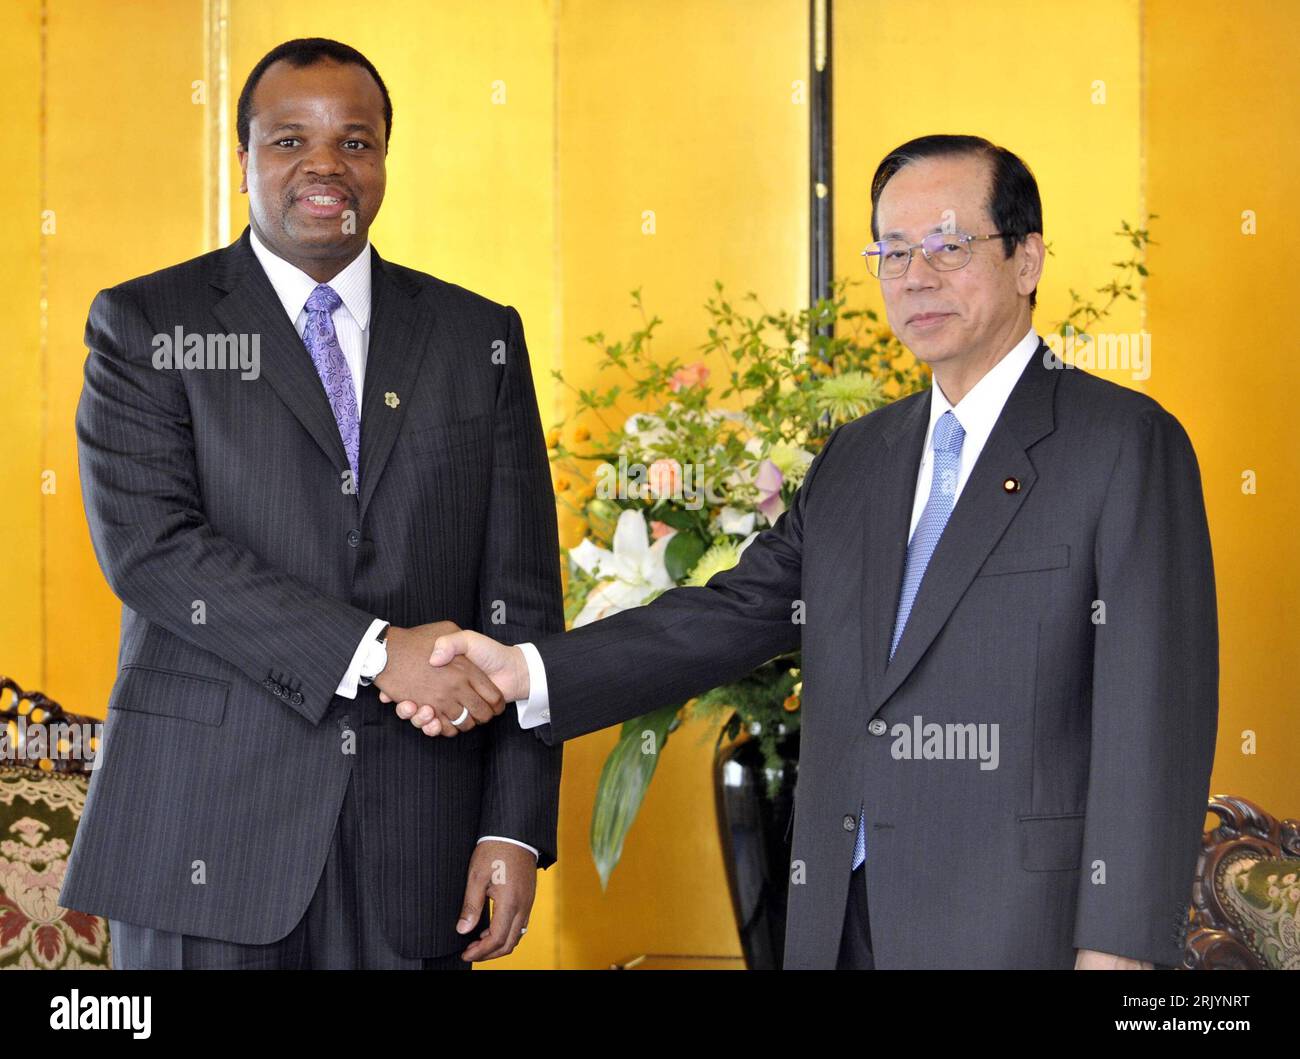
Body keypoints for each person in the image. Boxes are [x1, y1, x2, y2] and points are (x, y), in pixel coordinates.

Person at [389, 135, 1219, 970]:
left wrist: (1118, 949)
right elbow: (731, 614)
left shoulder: (1123, 445)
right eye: (891, 252)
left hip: (1018, 924)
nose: (915, 277)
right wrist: (524, 672)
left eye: (947, 246)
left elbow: (1154, 722)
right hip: (835, 915)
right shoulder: (861, 455)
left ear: (1027, 257)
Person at [60, 37, 563, 969]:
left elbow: (522, 602)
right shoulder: (147, 324)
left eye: (357, 142)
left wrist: (516, 827)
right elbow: (155, 551)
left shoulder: (478, 336)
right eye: (290, 140)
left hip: (423, 846)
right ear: (242, 158)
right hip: (204, 832)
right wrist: (378, 654)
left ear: (384, 161)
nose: (326, 164)